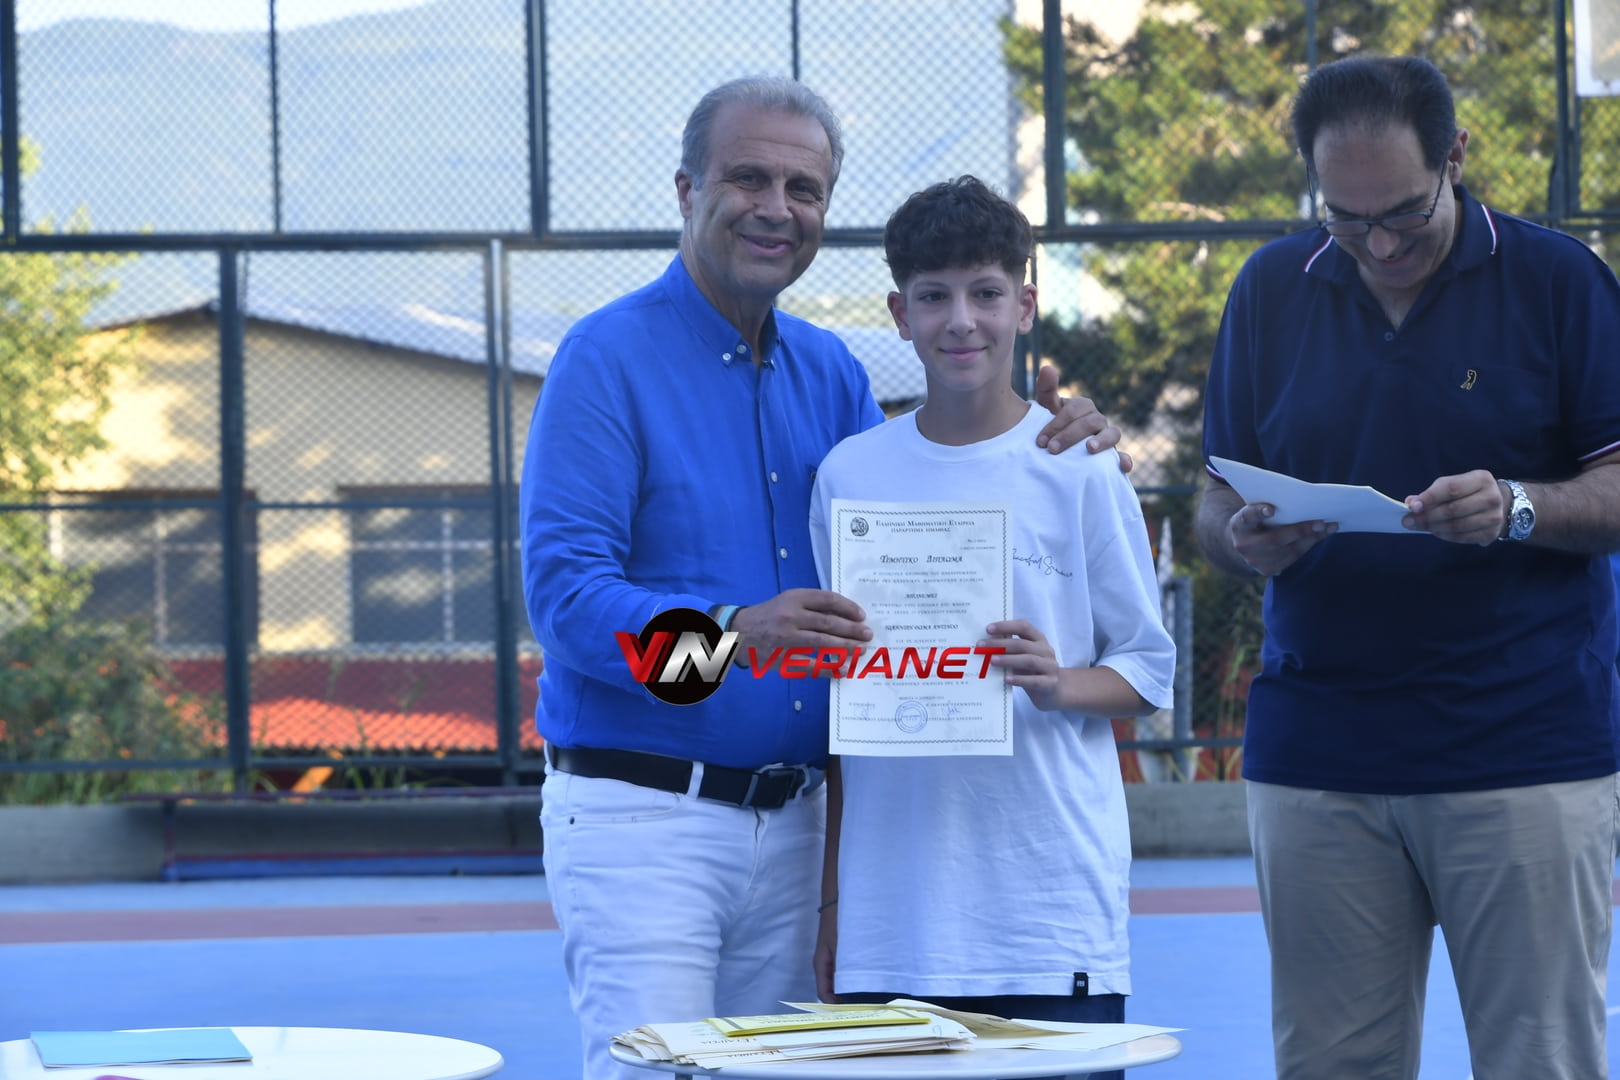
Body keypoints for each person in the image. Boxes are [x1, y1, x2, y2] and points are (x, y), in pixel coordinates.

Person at [519, 76, 1125, 1080]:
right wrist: (728, 638)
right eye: (748, 178)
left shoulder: (834, 373)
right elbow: (569, 604)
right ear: (687, 191)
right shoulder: (604, 359)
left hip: (802, 831)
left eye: (803, 188)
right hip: (645, 819)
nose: (776, 207)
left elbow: (915, 546)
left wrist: (1055, 434)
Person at [1195, 55, 1620, 1080]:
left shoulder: (1558, 279)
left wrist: (1518, 508)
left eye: (1403, 214)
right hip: (1318, 753)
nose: (1380, 244)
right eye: (1347, 220)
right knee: (1329, 1066)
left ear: (1455, 158)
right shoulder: (1269, 289)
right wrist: (1243, 540)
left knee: (1539, 1062)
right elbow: (1212, 503)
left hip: (1523, 749)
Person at [807, 176, 1175, 1080]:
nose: (961, 321)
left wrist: (1060, 682)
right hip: (894, 924)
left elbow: (1147, 670)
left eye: (986, 293)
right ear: (900, 313)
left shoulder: (1083, 466)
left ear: (1026, 305)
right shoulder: (849, 474)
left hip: (1049, 918)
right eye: (934, 297)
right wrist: (835, 902)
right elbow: (842, 710)